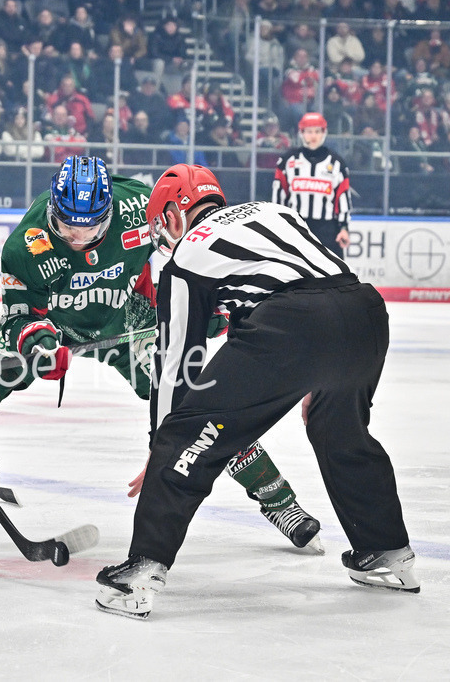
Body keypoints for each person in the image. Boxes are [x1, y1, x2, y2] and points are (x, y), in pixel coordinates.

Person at [0, 156, 322, 555]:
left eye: (91, 226)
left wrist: (201, 311)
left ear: (111, 211)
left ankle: (280, 502)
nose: (78, 237)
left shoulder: (142, 206)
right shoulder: (28, 244)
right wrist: (39, 343)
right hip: (53, 325)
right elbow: (20, 316)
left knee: (194, 403)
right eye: (67, 226)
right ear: (54, 210)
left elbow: (191, 255)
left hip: (126, 320)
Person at [95, 164, 418, 619]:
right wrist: (322, 372)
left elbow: (178, 365)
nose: (161, 237)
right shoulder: (273, 211)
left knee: (185, 436)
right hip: (364, 312)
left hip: (294, 326)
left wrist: (162, 447)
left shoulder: (188, 252)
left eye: (159, 226)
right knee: (341, 431)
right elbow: (312, 285)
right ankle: (387, 551)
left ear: (171, 214)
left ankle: (140, 572)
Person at [272, 113, 352, 259]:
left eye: (317, 131)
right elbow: (279, 197)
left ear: (324, 133)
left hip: (328, 230)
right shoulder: (287, 161)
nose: (313, 136)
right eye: (309, 131)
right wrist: (278, 224)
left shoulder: (337, 163)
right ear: (301, 133)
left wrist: (344, 228)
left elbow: (342, 198)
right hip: (296, 227)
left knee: (333, 276)